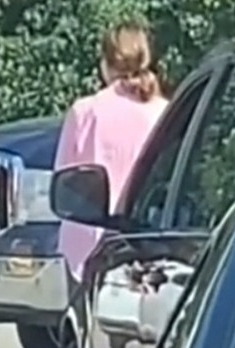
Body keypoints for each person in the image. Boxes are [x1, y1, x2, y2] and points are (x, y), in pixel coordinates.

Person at [55, 19, 169, 284]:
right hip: (153, 247)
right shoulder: (165, 112)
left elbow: (64, 182)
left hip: (89, 253)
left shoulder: (85, 112)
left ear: (106, 64)